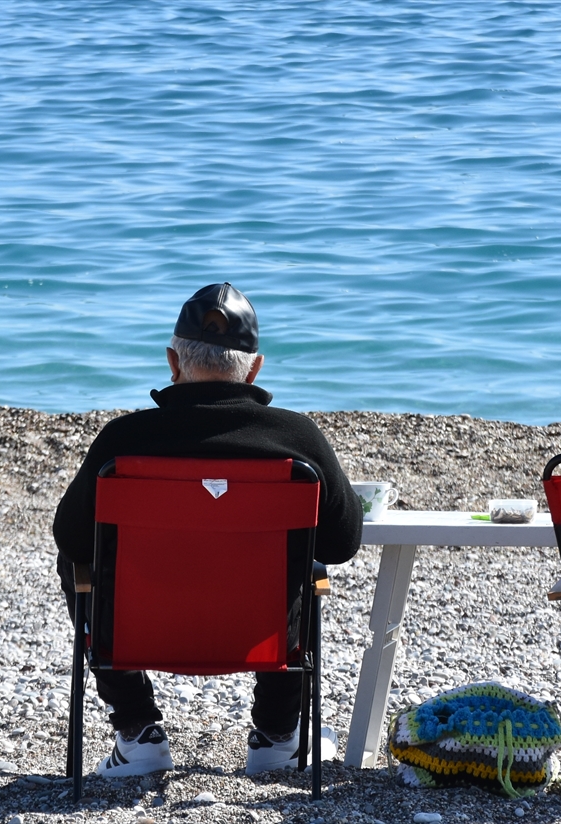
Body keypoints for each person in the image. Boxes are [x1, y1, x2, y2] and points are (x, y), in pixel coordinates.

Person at [52, 283, 363, 778]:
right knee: (310, 561)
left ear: (174, 363)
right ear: (254, 368)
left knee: (78, 559)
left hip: (142, 630)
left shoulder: (123, 442)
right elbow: (342, 544)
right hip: (258, 635)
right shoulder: (296, 440)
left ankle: (138, 735)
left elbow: (69, 538)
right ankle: (277, 739)